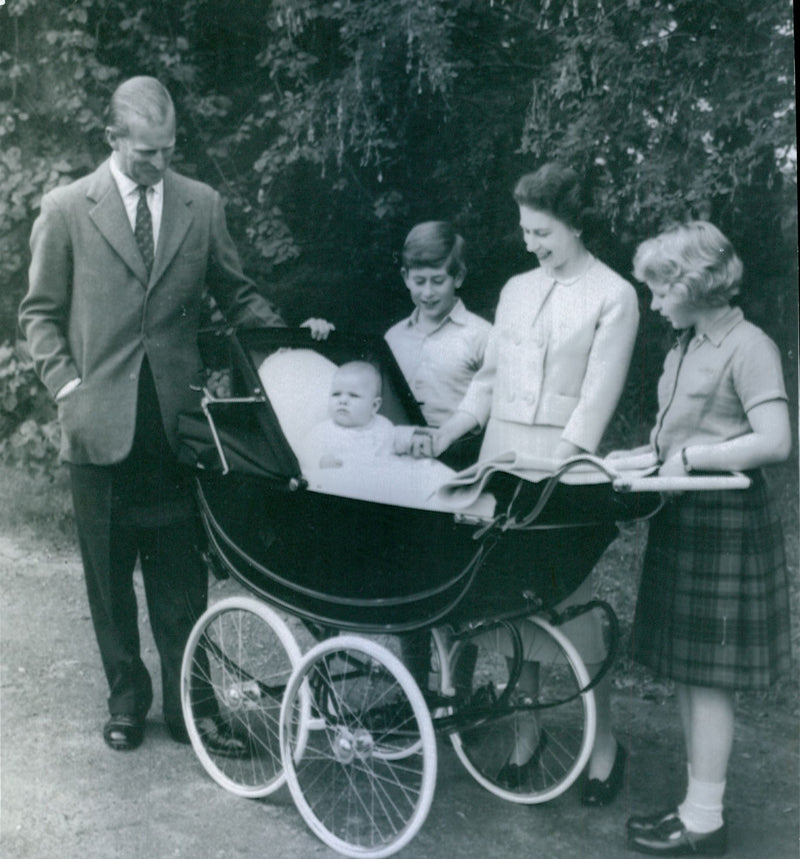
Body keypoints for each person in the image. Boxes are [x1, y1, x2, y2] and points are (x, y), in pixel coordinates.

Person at [18, 76, 332, 754]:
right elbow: (38, 314)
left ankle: (196, 707)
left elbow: (238, 296)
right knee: (108, 578)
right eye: (144, 154)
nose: (158, 166)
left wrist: (291, 355)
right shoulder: (67, 207)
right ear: (112, 140)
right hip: (97, 428)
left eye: (167, 151)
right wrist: (67, 387)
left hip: (178, 430)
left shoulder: (201, 204)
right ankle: (127, 699)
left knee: (181, 580)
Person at [429, 163, 640, 802]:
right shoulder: (517, 290)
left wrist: (553, 472)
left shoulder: (614, 295)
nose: (531, 243)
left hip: (562, 468)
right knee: (507, 604)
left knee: (567, 607)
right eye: (525, 231)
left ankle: (604, 748)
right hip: (502, 456)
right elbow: (487, 384)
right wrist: (445, 438)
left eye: (542, 231)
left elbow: (595, 404)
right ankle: (527, 736)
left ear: (576, 224)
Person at [607, 222, 791, 856]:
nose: (653, 304)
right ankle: (695, 807)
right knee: (690, 672)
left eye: (659, 290)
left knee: (709, 678)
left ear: (691, 284)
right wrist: (626, 462)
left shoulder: (749, 345)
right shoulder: (684, 346)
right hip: (685, 513)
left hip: (726, 520)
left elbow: (775, 440)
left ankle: (706, 823)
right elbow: (672, 444)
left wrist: (700, 459)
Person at [385, 221, 490, 440]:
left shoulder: (482, 335)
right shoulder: (393, 337)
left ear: (458, 277)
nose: (428, 292)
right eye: (419, 281)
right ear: (406, 277)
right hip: (401, 451)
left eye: (438, 281)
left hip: (461, 454)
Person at [298, 361, 396, 469]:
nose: (342, 400)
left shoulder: (383, 426)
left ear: (374, 406)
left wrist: (411, 439)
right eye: (336, 394)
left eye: (353, 395)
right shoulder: (323, 432)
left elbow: (396, 439)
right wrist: (320, 462)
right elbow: (303, 454)